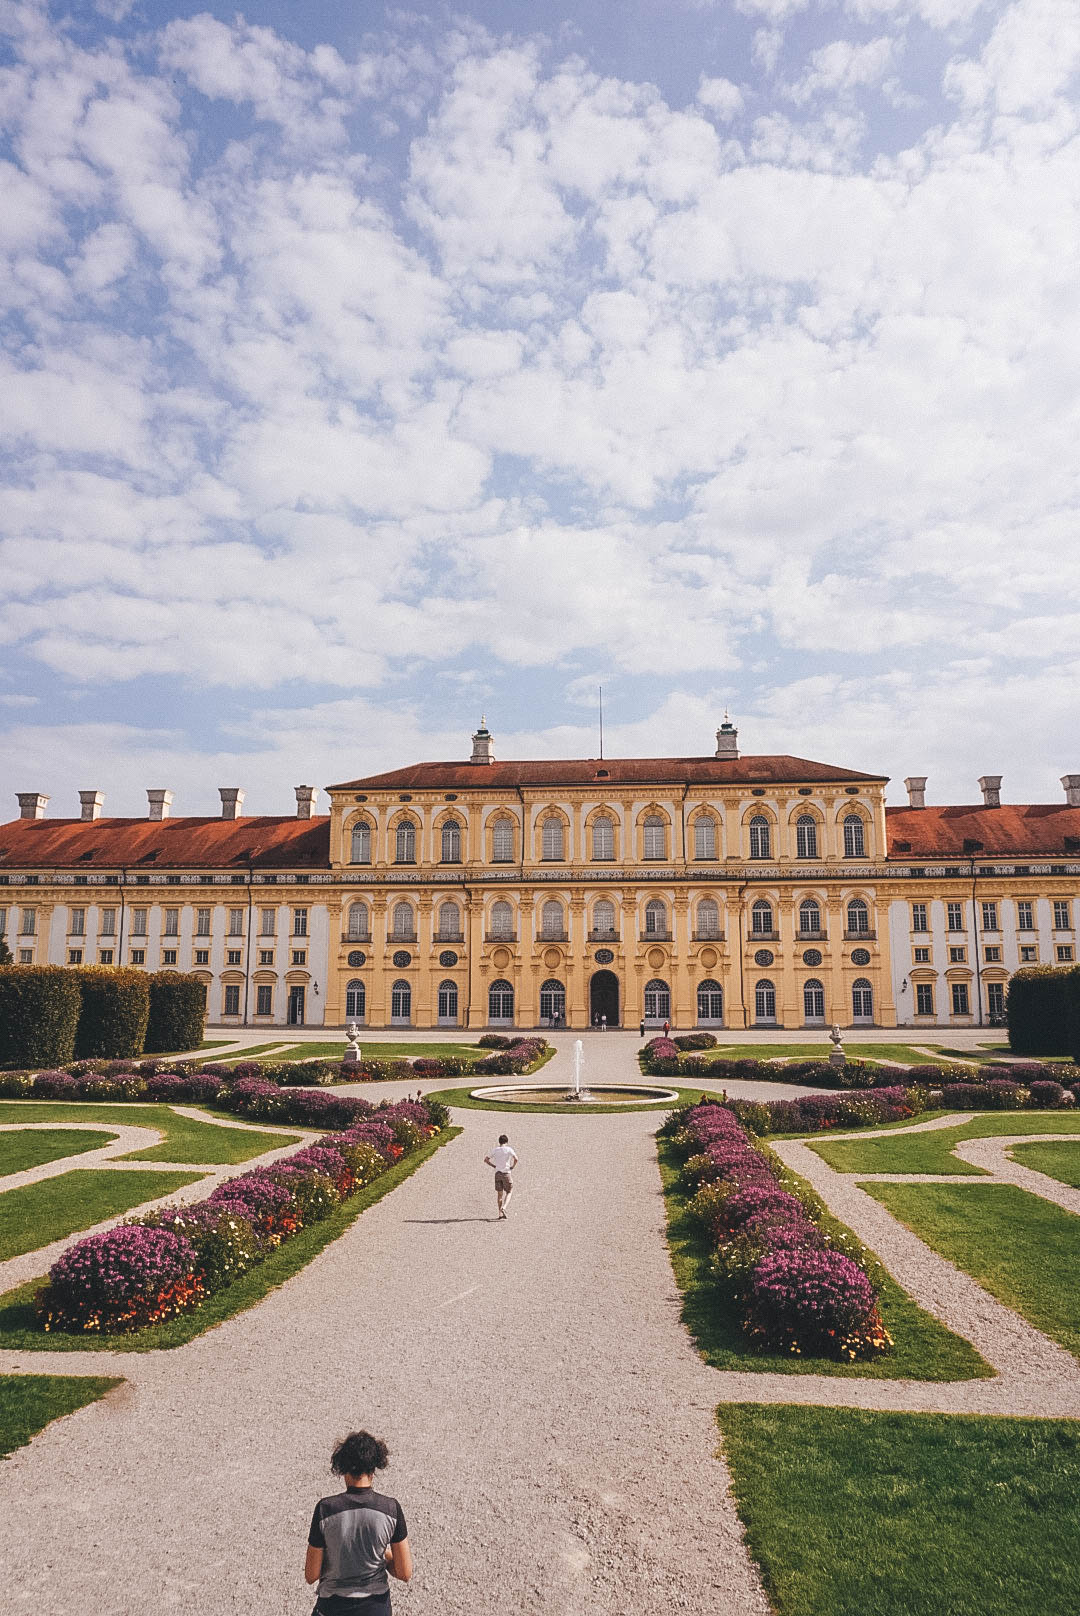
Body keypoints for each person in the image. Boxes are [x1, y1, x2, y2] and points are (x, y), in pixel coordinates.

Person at [305, 1430, 412, 1616]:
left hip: (333, 1606)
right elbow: (404, 1572)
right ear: (374, 1468)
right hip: (375, 1607)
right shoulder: (391, 1509)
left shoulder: (325, 1509)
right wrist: (381, 1555)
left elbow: (311, 1574)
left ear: (342, 1466)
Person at [484, 1133, 518, 1219]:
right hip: (506, 1173)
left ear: (499, 1142)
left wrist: (493, 1166)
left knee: (499, 1194)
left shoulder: (495, 1150)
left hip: (498, 1173)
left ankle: (500, 1214)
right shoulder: (509, 1149)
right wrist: (512, 1166)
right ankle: (504, 1207)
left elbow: (486, 1159)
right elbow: (516, 1159)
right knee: (509, 1191)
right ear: (506, 1141)